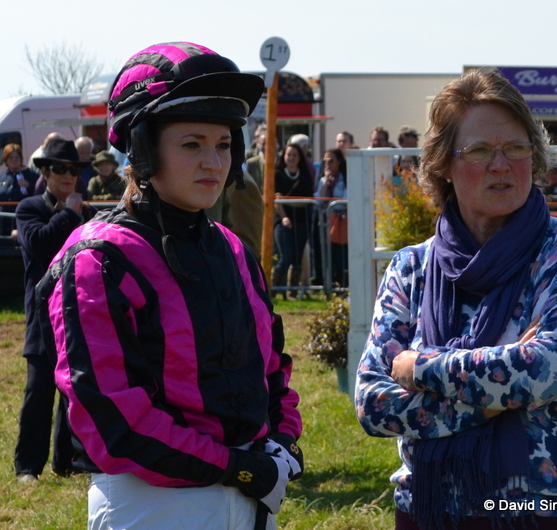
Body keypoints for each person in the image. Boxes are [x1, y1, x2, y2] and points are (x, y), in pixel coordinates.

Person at [36, 41, 303, 530]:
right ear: (143, 150)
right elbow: (113, 421)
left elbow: (271, 368)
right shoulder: (99, 259)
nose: (214, 162)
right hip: (151, 504)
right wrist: (236, 466)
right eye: (192, 144)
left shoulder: (233, 249)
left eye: (223, 144)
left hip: (249, 497)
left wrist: (283, 440)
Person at [355, 68, 557, 530]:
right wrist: (494, 396)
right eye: (479, 150)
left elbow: (543, 370)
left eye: (516, 148)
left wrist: (421, 368)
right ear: (443, 166)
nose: (501, 164)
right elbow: (373, 403)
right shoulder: (411, 268)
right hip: (427, 507)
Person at [13, 138, 96, 484]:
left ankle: (68, 460)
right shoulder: (29, 208)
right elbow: (39, 244)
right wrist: (69, 214)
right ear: (45, 172)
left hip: (76, 312)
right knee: (39, 390)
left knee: (74, 390)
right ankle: (27, 467)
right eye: (60, 169)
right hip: (42, 314)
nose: (68, 176)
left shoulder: (86, 213)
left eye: (74, 170)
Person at [273, 143, 314, 298]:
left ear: (300, 158)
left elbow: (308, 200)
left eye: (294, 155)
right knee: (286, 257)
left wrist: (286, 201)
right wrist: (284, 216)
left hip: (302, 221)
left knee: (297, 259)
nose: (291, 158)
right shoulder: (277, 174)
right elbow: (276, 200)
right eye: (288, 154)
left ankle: (292, 292)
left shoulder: (304, 176)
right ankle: (272, 291)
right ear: (284, 156)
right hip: (282, 221)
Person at [315, 148, 348, 287]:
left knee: (340, 254)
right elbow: (318, 200)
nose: (327, 164)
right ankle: (329, 283)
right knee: (326, 254)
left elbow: (345, 199)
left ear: (339, 162)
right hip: (325, 222)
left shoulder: (345, 179)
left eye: (331, 161)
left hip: (340, 222)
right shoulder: (323, 180)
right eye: (325, 162)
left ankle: (342, 283)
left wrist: (330, 204)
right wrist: (326, 181)